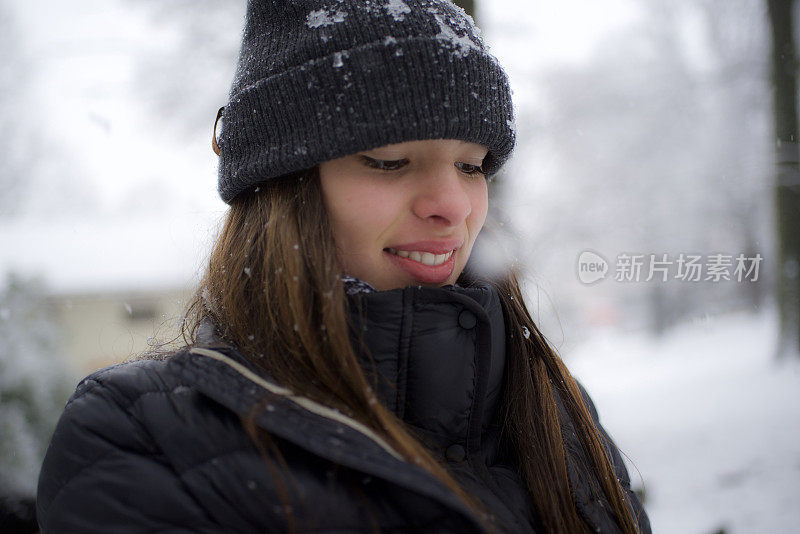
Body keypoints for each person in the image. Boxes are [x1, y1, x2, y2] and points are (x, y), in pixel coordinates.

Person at [36, 1, 651, 533]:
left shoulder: (550, 408)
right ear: (281, 185)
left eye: (473, 164)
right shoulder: (140, 439)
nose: (454, 207)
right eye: (388, 160)